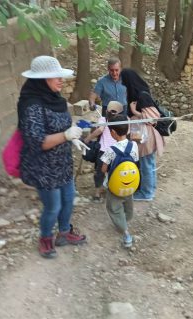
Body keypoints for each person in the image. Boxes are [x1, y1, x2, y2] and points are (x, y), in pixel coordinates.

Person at [18, 56, 88, 258]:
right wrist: (65, 136)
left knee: (68, 199)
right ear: (42, 80)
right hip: (43, 168)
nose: (60, 80)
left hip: (62, 162)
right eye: (54, 76)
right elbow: (37, 141)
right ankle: (46, 238)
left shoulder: (57, 100)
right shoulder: (31, 105)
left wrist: (73, 137)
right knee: (53, 206)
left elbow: (64, 125)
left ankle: (64, 233)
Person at [100, 114, 140, 248]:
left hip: (115, 186)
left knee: (113, 207)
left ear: (112, 133)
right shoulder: (133, 145)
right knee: (128, 202)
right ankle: (126, 219)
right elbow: (135, 161)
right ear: (128, 130)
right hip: (131, 183)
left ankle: (125, 232)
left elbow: (103, 168)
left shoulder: (110, 150)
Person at [84, 101, 124, 201]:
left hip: (104, 151)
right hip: (117, 150)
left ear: (106, 111)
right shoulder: (123, 120)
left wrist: (87, 139)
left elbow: (100, 130)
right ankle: (114, 191)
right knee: (114, 171)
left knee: (100, 172)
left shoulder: (103, 118)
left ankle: (97, 193)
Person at [128, 91, 164, 201]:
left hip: (146, 141)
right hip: (150, 140)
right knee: (150, 165)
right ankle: (151, 189)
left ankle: (147, 193)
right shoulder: (148, 106)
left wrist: (134, 111)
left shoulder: (147, 109)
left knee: (146, 167)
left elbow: (151, 119)